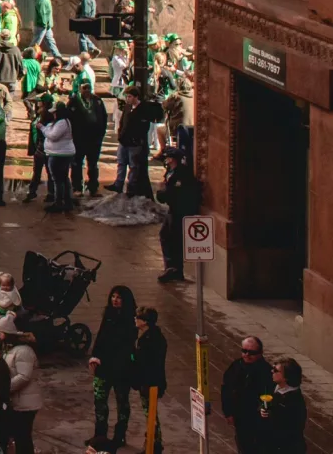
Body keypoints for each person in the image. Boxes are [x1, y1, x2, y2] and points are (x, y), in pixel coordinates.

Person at [86, 286, 136, 451]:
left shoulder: (130, 320)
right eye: (113, 296)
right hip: (103, 368)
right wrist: (94, 356)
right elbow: (101, 337)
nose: (115, 300)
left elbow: (124, 345)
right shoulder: (108, 315)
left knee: (122, 402)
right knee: (100, 402)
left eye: (119, 297)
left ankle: (119, 436)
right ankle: (99, 436)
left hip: (121, 370)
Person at [220, 336, 274, 452]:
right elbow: (226, 389)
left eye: (251, 352)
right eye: (244, 351)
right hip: (240, 416)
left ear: (260, 353)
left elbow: (269, 394)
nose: (247, 355)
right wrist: (228, 412)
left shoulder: (266, 371)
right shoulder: (236, 366)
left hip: (258, 419)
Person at [155, 148, 200, 281]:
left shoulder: (181, 174)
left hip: (179, 210)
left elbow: (171, 193)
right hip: (173, 209)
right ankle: (171, 266)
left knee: (173, 238)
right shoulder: (171, 172)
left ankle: (175, 268)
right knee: (166, 235)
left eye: (168, 157)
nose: (166, 160)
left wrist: (161, 191)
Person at [129, 307, 168, 454]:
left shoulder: (149, 340)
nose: (135, 319)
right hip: (150, 382)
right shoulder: (152, 337)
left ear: (145, 322)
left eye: (137, 318)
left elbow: (145, 364)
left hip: (149, 384)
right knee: (151, 414)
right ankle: (153, 442)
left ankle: (154, 443)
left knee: (150, 414)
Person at [263, 357, 307, 454]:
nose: (272, 371)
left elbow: (289, 428)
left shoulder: (293, 401)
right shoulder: (276, 386)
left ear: (286, 377)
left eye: (275, 370)